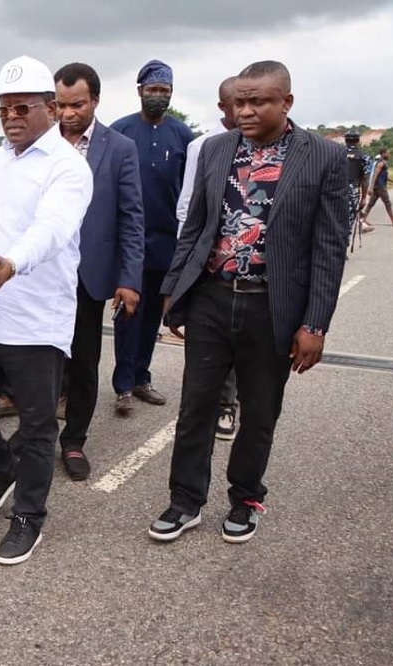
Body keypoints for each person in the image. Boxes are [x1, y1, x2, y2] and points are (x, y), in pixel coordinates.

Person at [149, 61, 349, 544]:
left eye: (257, 101)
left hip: (273, 307)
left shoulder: (322, 157)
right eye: (239, 101)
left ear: (286, 102)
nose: (245, 110)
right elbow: (195, 226)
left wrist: (315, 324)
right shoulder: (217, 150)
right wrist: (174, 291)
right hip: (212, 300)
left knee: (260, 411)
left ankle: (245, 497)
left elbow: (328, 246)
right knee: (195, 405)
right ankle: (185, 500)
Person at [0, 56, 93, 565]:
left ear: (51, 109)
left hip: (34, 318)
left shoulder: (68, 166)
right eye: (2, 109)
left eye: (21, 107)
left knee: (35, 424)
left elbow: (52, 228)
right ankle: (0, 470)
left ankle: (29, 515)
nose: (10, 117)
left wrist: (14, 265)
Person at [51, 63, 145, 481]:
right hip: (42, 275)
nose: (68, 114)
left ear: (95, 101)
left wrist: (128, 279)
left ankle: (73, 442)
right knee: (40, 361)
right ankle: (34, 437)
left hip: (89, 276)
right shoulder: (39, 144)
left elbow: (131, 218)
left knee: (84, 361)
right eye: (60, 105)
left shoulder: (120, 148)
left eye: (77, 104)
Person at [110, 60, 194, 415]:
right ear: (139, 90)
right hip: (129, 241)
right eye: (152, 90)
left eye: (164, 91)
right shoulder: (120, 131)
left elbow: (190, 190)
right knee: (128, 313)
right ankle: (123, 385)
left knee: (152, 317)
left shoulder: (184, 136)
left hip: (167, 242)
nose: (158, 96)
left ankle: (142, 377)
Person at [176, 77, 241, 441]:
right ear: (223, 107)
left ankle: (231, 399)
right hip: (207, 266)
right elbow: (186, 205)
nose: (245, 110)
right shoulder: (204, 147)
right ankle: (221, 404)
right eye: (237, 103)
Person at [343, 130, 373, 238]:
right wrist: (364, 198)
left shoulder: (336, 153)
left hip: (334, 190)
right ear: (358, 140)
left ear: (345, 140)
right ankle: (342, 250)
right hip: (352, 191)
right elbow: (365, 178)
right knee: (349, 220)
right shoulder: (364, 157)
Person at [364, 147, 393, 225]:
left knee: (371, 203)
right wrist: (371, 187)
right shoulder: (381, 163)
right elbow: (375, 175)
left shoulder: (383, 163)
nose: (389, 155)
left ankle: (363, 218)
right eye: (388, 153)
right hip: (380, 187)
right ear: (383, 154)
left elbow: (384, 176)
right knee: (387, 203)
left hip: (378, 186)